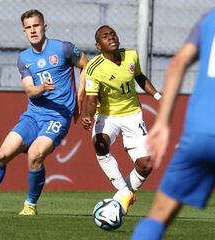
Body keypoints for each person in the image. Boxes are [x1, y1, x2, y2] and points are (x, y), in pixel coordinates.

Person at [131, 0, 215, 239]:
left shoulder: (213, 15)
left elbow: (178, 63)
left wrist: (162, 123)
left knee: (158, 214)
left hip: (198, 133)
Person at [0, 9, 88, 215]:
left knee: (35, 155)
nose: (33, 31)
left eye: (36, 25)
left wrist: (79, 96)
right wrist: (42, 88)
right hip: (33, 116)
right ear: (24, 31)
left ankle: (30, 206)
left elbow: (86, 66)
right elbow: (30, 91)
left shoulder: (63, 48)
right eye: (28, 28)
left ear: (44, 26)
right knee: (1, 155)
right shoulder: (24, 58)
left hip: (57, 117)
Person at [81, 25, 162, 215]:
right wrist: (87, 115)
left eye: (113, 34)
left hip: (132, 114)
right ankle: (125, 192)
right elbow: (92, 99)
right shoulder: (94, 68)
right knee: (100, 143)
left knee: (146, 164)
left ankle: (120, 199)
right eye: (105, 36)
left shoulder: (131, 56)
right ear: (98, 45)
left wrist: (158, 96)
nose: (110, 38)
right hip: (107, 116)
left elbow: (139, 77)